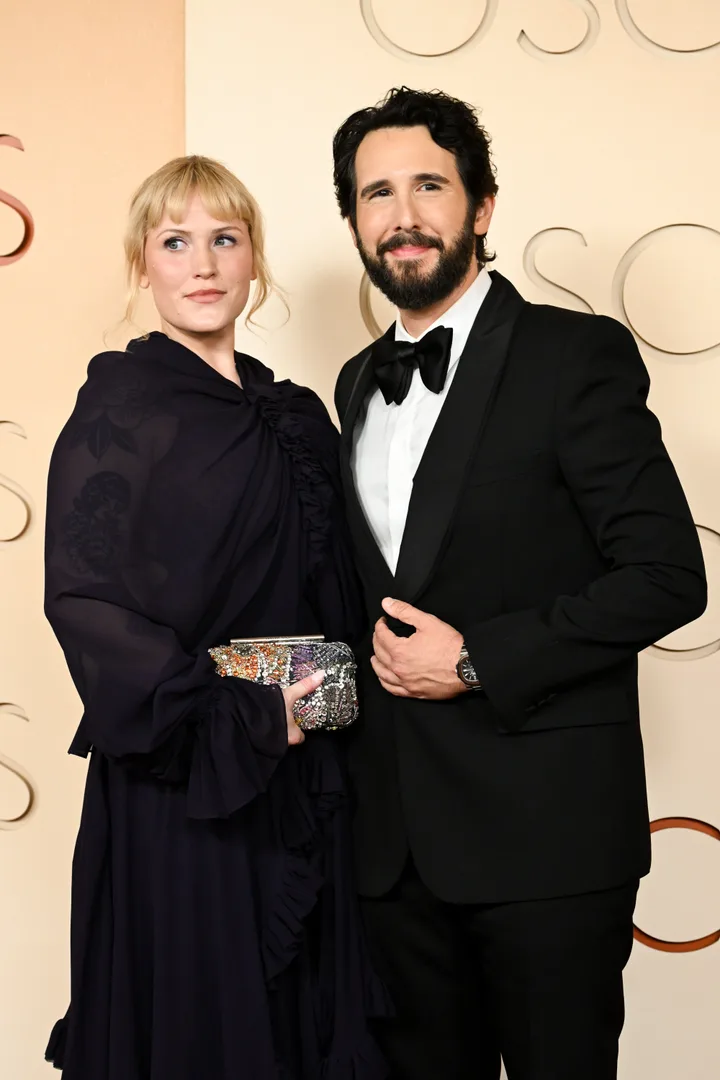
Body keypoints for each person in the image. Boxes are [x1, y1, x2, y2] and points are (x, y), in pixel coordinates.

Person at [332, 87, 707, 1080]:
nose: (402, 215)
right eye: (375, 194)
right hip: (395, 856)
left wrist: (477, 658)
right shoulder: (356, 382)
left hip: (547, 846)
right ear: (355, 222)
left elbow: (668, 575)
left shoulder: (572, 357)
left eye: (428, 186)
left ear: (482, 207)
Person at [44, 155, 388, 1080]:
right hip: (185, 772)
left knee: (301, 1021)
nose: (203, 263)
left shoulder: (300, 414)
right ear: (142, 265)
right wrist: (231, 714)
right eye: (176, 242)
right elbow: (83, 596)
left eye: (225, 240)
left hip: (308, 769)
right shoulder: (123, 406)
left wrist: (319, 706)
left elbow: (346, 594)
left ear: (254, 262)